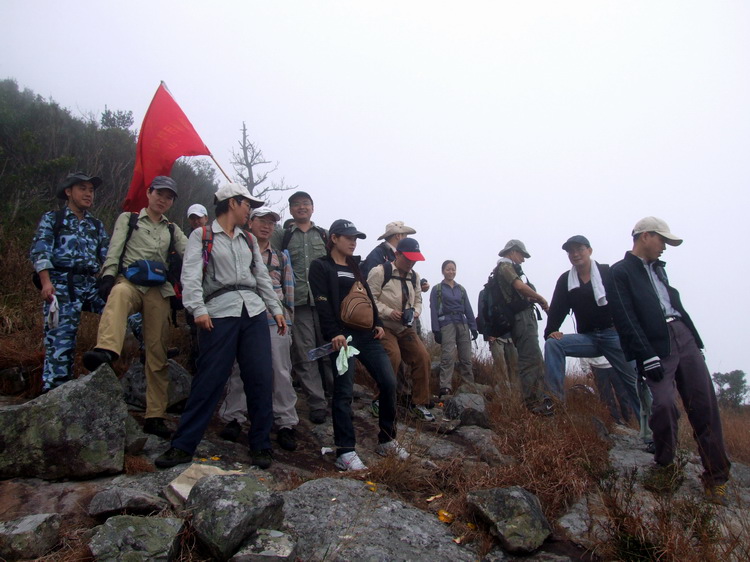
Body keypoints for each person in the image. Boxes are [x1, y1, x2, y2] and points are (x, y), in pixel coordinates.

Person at [155, 184, 286, 470]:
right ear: (232, 203)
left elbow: (262, 277)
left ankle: (261, 445)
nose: (249, 209)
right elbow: (190, 276)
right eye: (246, 204)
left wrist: (275, 309)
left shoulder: (249, 240)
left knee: (261, 379)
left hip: (253, 311)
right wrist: (197, 309)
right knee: (209, 379)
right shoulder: (202, 236)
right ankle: (182, 445)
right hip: (218, 312)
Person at [606, 217, 730, 503]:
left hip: (683, 336)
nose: (665, 247)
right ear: (644, 236)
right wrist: (645, 354)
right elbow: (624, 317)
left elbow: (671, 306)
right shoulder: (620, 272)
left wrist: (693, 340)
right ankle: (665, 465)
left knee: (704, 404)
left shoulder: (660, 270)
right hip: (655, 345)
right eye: (662, 240)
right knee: (663, 405)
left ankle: (717, 478)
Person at [83, 176, 188, 439]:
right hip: (129, 281)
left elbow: (192, 252)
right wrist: (107, 275)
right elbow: (115, 248)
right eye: (159, 193)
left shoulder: (173, 229)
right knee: (117, 294)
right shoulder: (128, 220)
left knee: (157, 352)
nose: (163, 199)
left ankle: (155, 415)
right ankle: (107, 350)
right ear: (149, 193)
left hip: (158, 290)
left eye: (169, 196)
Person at [309, 219, 407, 471]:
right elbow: (322, 303)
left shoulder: (355, 265)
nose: (353, 242)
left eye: (356, 238)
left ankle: (386, 440)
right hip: (342, 337)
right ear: (334, 238)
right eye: (348, 237)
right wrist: (333, 334)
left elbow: (366, 295)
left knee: (388, 382)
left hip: (367, 334)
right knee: (343, 391)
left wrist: (376, 322)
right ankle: (345, 451)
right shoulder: (321, 266)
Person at [217, 206, 299, 452]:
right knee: (240, 368)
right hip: (245, 317)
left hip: (276, 321)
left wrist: (289, 320)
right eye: (261, 220)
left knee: (280, 370)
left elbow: (288, 290)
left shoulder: (281, 257)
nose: (267, 226)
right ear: (249, 222)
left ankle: (286, 422)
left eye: (271, 222)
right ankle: (234, 417)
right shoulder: (239, 248)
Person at [543, 235, 640, 419]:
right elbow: (557, 309)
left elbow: (624, 302)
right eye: (570, 251)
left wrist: (627, 332)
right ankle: (554, 404)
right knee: (553, 344)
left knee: (633, 382)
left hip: (613, 335)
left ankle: (653, 431)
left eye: (579, 249)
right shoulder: (566, 280)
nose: (575, 254)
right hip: (588, 339)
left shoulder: (606, 272)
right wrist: (550, 331)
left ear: (589, 250)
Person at [29, 171, 109, 392]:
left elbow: (108, 256)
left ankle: (132, 356)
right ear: (68, 192)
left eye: (91, 190)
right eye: (82, 189)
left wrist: (110, 281)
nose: (88, 194)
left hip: (90, 283)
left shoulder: (96, 225)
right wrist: (46, 283)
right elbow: (40, 252)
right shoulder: (53, 219)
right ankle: (54, 395)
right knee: (60, 343)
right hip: (61, 283)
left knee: (128, 312)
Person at [271, 191, 331, 424]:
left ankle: (335, 394)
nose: (302, 208)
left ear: (313, 208)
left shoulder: (324, 235)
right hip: (298, 304)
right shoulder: (283, 236)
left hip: (324, 302)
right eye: (296, 205)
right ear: (291, 210)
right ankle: (317, 402)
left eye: (306, 204)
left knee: (328, 350)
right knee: (306, 354)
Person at [368, 238, 435, 422]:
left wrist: (415, 312)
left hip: (405, 328)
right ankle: (380, 400)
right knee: (393, 355)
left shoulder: (415, 276)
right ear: (397, 254)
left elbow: (418, 300)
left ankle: (419, 403)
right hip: (384, 326)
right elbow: (369, 298)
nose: (411, 263)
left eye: (414, 259)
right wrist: (389, 312)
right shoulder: (380, 272)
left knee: (423, 357)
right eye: (408, 258)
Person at [491, 240, 552, 415]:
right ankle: (533, 403)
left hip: (523, 317)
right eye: (522, 255)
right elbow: (518, 286)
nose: (523, 260)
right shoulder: (505, 266)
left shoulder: (509, 267)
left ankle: (537, 399)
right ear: (513, 252)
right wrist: (540, 298)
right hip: (522, 319)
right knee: (530, 358)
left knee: (533, 357)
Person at [430, 260, 478, 396]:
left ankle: (469, 385)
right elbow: (433, 309)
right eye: (448, 269)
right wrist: (436, 330)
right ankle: (445, 386)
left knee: (466, 357)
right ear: (443, 271)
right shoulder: (437, 289)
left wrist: (473, 327)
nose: (451, 272)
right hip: (446, 324)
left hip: (462, 323)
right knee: (448, 356)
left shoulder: (461, 289)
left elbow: (468, 308)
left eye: (453, 269)